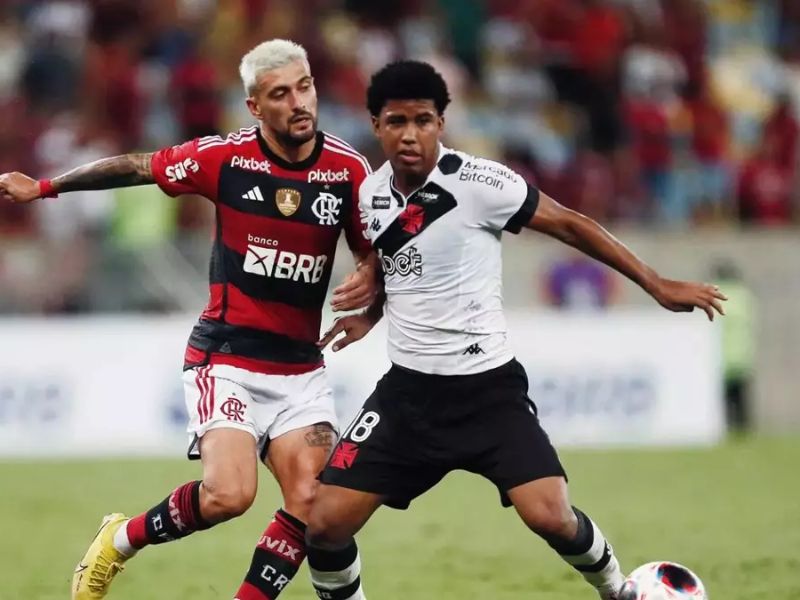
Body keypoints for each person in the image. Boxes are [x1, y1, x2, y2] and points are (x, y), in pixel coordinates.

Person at [302, 61, 727, 600]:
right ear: (376, 124)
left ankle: (618, 590)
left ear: (442, 122)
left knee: (551, 516)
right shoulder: (369, 196)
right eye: (396, 121)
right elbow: (402, 264)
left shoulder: (482, 183)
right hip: (408, 397)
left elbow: (572, 224)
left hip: (488, 392)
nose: (410, 134)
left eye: (424, 120)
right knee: (324, 525)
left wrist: (656, 283)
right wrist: (372, 310)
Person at [0, 39, 377, 600]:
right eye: (280, 94)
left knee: (311, 501)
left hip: (301, 369)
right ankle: (120, 539)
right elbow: (136, 166)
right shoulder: (226, 159)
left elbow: (374, 252)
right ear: (254, 107)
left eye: (305, 87)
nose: (299, 102)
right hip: (226, 357)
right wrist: (47, 187)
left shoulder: (347, 170)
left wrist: (373, 296)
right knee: (229, 495)